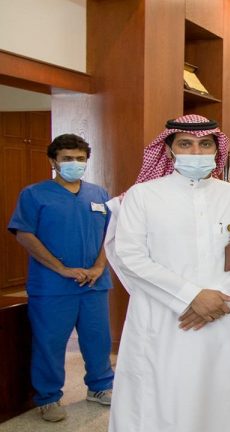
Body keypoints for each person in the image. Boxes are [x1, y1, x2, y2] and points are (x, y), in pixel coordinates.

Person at [107, 115, 230, 432]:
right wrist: (191, 296)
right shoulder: (142, 195)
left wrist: (220, 298)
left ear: (216, 149)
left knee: (222, 393)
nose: (196, 152)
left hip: (223, 314)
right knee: (162, 395)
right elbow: (130, 256)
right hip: (164, 316)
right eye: (185, 144)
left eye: (205, 144)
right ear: (169, 150)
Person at [7, 134, 114, 422]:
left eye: (80, 159)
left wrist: (98, 267)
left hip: (94, 284)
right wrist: (61, 269)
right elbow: (24, 234)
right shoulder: (34, 194)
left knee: (98, 339)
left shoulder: (99, 194)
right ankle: (48, 397)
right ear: (53, 161)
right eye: (67, 158)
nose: (74, 163)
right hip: (52, 285)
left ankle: (100, 387)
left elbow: (110, 235)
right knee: (50, 343)